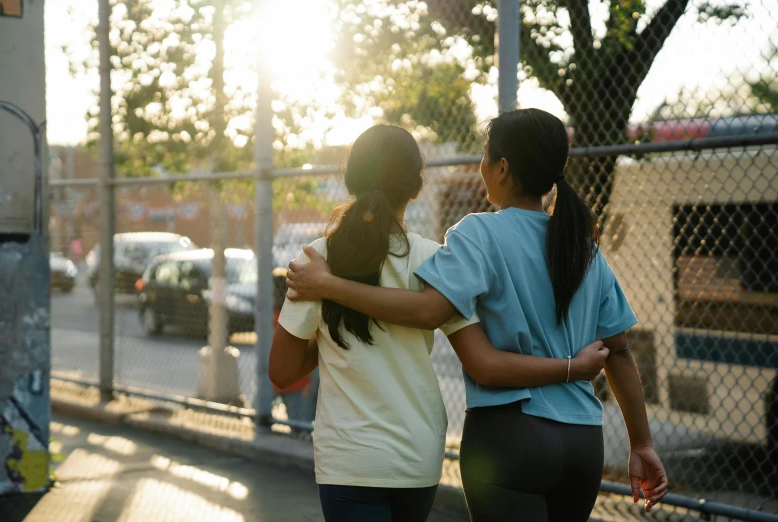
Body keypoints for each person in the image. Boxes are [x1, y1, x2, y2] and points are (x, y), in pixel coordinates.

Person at [285, 110, 669, 522]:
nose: (480, 168)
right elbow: (621, 354)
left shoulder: (478, 233)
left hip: (510, 439)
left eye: (485, 158)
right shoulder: (584, 249)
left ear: (502, 168)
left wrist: (329, 287)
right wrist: (642, 445)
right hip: (583, 445)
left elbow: (431, 310)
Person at [271, 268, 318, 434]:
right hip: (293, 379)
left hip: (291, 380)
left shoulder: (282, 315)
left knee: (298, 421)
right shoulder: (283, 314)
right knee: (297, 422)